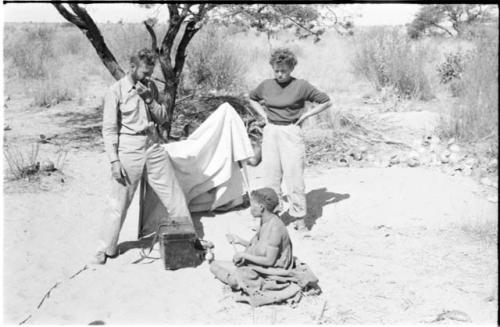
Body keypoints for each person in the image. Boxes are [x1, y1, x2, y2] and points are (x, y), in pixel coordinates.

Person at [92, 48, 191, 264]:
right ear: (133, 67)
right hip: (128, 148)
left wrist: (150, 100)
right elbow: (109, 130)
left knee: (174, 195)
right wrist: (114, 161)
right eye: (145, 72)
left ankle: (190, 239)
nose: (148, 77)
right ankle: (105, 248)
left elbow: (163, 117)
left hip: (152, 144)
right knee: (118, 202)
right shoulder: (115, 91)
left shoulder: (151, 87)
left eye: (151, 72)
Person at [248, 48, 332, 231]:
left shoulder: (301, 86)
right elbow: (252, 98)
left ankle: (299, 217)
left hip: (291, 133)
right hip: (271, 132)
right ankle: (271, 217)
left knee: (294, 178)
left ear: (291, 68)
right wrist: (263, 116)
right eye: (276, 70)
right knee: (271, 177)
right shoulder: (266, 85)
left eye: (284, 71)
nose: (280, 74)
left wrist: (306, 116)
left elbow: (326, 101)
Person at [209, 187, 293, 289]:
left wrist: (243, 255)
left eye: (252, 205)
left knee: (232, 279)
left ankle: (241, 280)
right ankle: (241, 277)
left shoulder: (275, 228)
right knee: (214, 265)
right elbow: (261, 246)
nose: (250, 208)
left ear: (261, 207)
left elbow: (269, 261)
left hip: (272, 271)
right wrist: (238, 240)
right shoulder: (265, 220)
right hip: (261, 266)